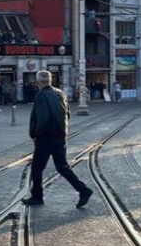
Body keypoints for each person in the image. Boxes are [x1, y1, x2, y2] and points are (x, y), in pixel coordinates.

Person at [21, 70, 93, 208]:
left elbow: (43, 117)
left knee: (37, 168)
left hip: (46, 137)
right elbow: (68, 114)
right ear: (50, 80)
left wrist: (37, 134)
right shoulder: (60, 93)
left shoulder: (41, 95)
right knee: (62, 167)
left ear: (38, 82)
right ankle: (84, 190)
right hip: (60, 136)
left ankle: (37, 196)